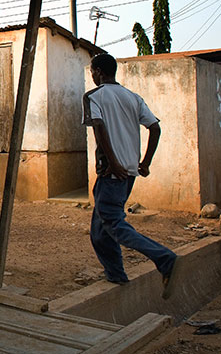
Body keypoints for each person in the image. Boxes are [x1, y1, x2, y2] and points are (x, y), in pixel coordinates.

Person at [82, 53, 180, 299]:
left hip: (112, 174)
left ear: (99, 72)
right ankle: (115, 274)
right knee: (99, 231)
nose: (92, 75)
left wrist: (113, 163)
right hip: (128, 173)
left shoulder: (94, 97)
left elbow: (100, 129)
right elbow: (155, 127)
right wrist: (144, 163)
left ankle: (164, 258)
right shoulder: (132, 97)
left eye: (92, 71)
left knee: (114, 225)